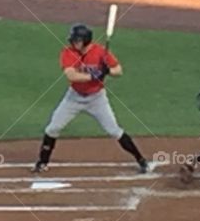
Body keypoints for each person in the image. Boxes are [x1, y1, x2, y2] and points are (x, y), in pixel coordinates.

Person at [32, 23, 150, 174]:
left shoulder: (100, 52)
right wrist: (93, 76)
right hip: (73, 98)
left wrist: (108, 71)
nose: (73, 43)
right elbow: (71, 75)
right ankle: (42, 162)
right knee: (53, 128)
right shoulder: (68, 52)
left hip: (97, 99)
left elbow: (119, 71)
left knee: (114, 130)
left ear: (86, 40)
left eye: (77, 40)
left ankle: (141, 160)